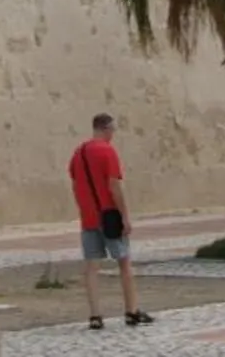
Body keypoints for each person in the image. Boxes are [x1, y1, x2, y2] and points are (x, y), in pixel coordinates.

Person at [69, 112, 152, 329]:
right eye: (113, 130)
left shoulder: (78, 153)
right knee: (124, 263)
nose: (113, 134)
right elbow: (114, 185)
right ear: (106, 128)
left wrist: (84, 208)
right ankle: (131, 311)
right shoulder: (108, 151)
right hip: (109, 217)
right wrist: (125, 216)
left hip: (88, 218)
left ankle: (95, 316)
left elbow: (75, 184)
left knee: (91, 267)